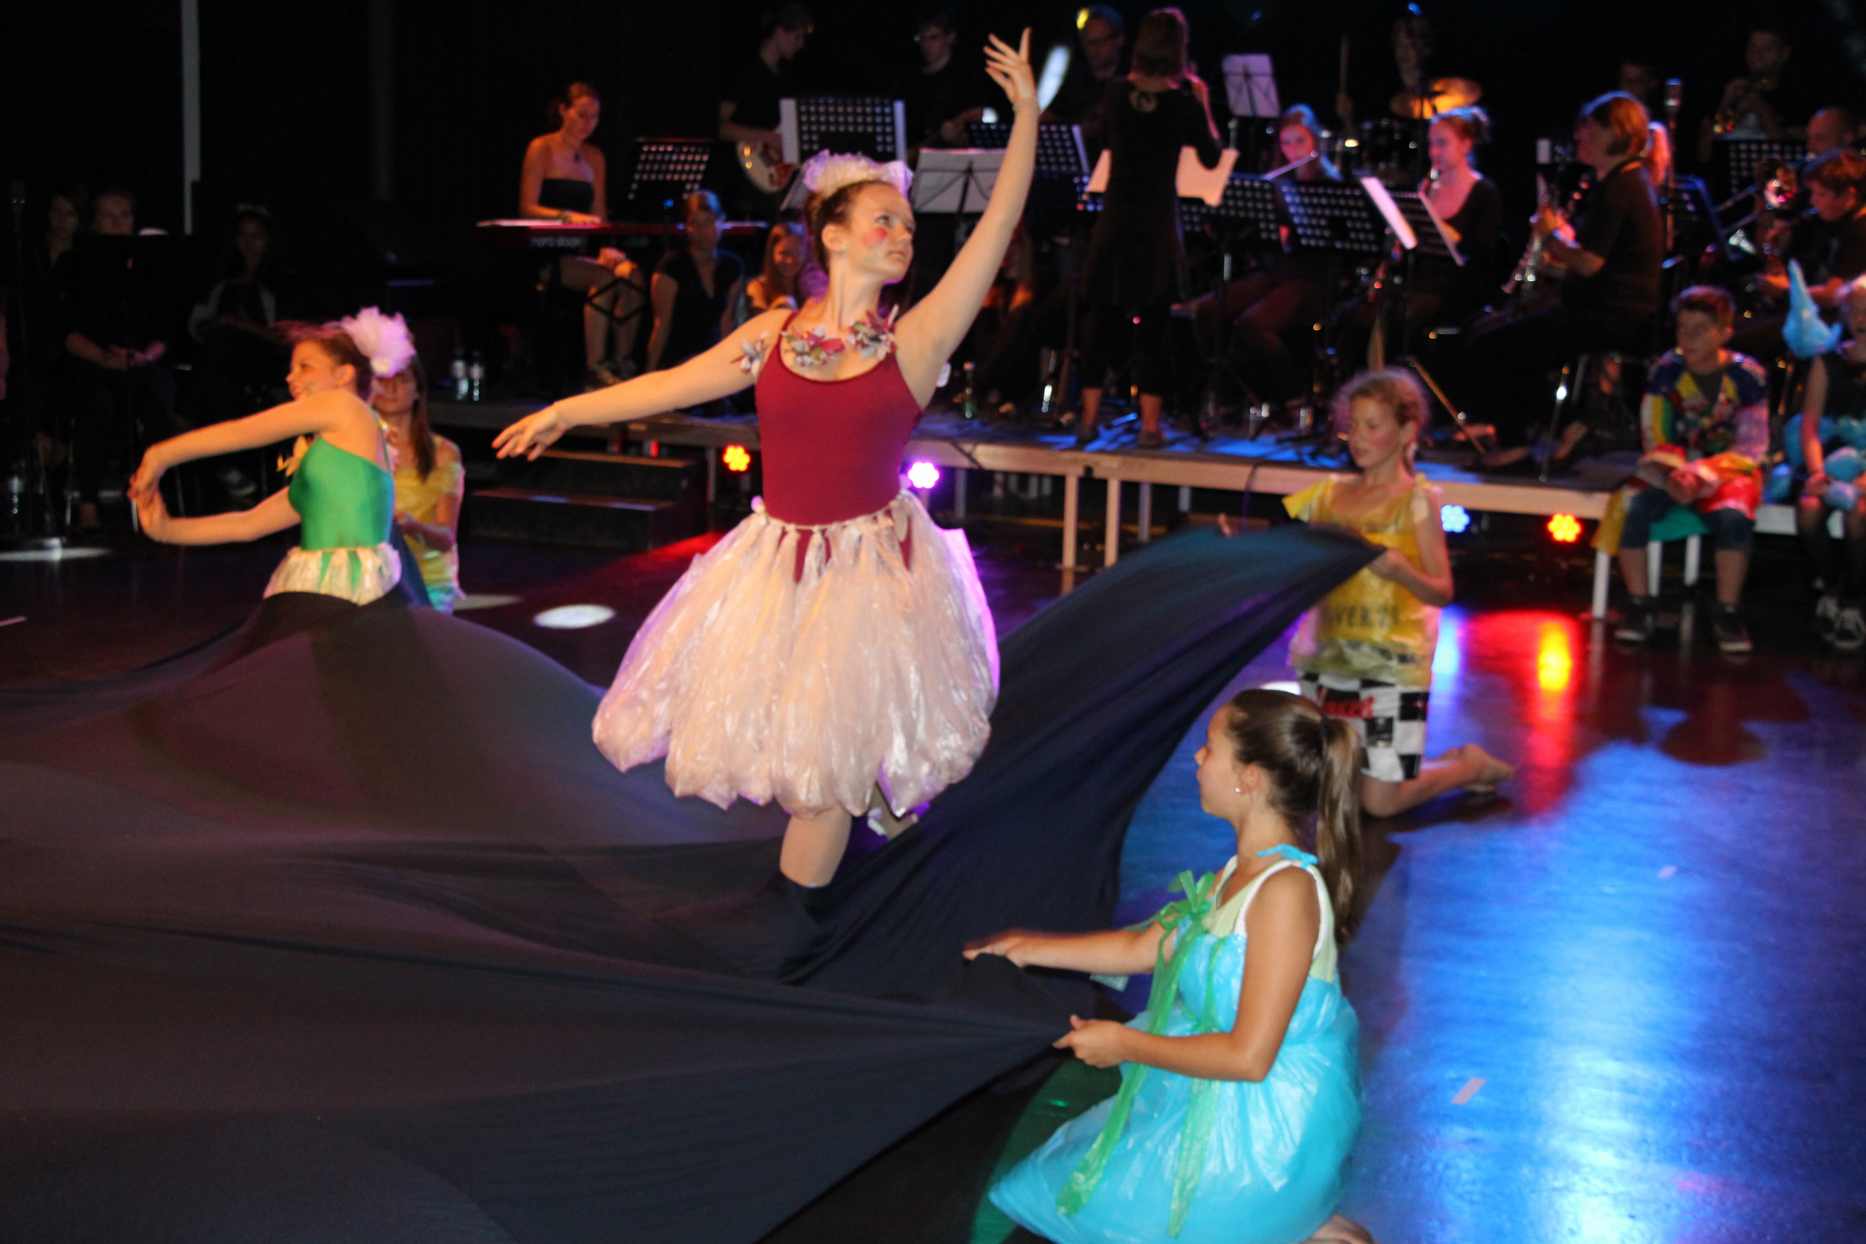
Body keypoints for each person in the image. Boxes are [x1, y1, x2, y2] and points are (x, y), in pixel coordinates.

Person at [492, 31, 1038, 891]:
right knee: (848, 779)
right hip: (780, 570)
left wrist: (1027, 117)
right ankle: (895, 886)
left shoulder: (916, 341)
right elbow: (669, 384)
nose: (903, 235)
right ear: (833, 235)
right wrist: (567, 410)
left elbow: (998, 224)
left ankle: (789, 935)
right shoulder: (772, 335)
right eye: (884, 221)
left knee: (826, 783)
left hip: (872, 579)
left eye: (908, 225)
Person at [975, 690, 1373, 1244]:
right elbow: (1144, 948)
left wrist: (1124, 1044)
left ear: (1250, 778)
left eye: (1210, 748)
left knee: (1093, 1205)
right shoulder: (1234, 875)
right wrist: (1025, 948)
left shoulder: (1285, 893)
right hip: (1215, 1095)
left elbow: (1249, 1057)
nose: (1197, 759)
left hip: (1268, 1131)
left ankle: (1293, 1218)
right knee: (1063, 1186)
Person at [1282, 369, 1513, 817]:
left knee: (1379, 803)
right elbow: (1304, 566)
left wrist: (1400, 571)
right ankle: (1414, 769)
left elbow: (1442, 591)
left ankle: (1466, 767)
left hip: (1390, 667)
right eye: (1353, 425)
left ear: (1406, 432)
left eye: (1372, 426)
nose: (1357, 437)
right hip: (1328, 660)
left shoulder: (1416, 502)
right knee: (1328, 789)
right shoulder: (1328, 496)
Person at [128, 310, 410, 608]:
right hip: (322, 588)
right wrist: (165, 529)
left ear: (343, 375)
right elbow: (248, 524)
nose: (290, 377)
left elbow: (244, 432)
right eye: (291, 369)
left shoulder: (345, 406)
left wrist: (159, 455)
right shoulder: (327, 466)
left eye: (305, 367)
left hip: (354, 594)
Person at [1471, 92, 1662, 470]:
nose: (1579, 137)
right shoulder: (1625, 181)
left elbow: (1589, 264)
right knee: (1499, 335)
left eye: (1589, 130)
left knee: (1497, 345)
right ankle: (1569, 424)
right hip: (1610, 308)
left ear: (1614, 133)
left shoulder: (1620, 187)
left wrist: (1550, 236)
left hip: (1610, 315)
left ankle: (1523, 440)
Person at [1075, 7, 1221, 449]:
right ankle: (1150, 427)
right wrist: (1203, 101)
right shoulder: (1182, 103)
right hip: (1155, 225)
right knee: (1153, 325)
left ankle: (1087, 419)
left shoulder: (1117, 92)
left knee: (1100, 319)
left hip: (1115, 220)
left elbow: (1099, 137)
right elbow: (1211, 156)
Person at [1608, 287, 1768, 654]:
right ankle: (1640, 603)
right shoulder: (1667, 371)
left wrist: (1703, 474)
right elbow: (1653, 432)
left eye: (1700, 330)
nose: (1688, 338)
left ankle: (1727, 610)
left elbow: (1751, 444)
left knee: (1733, 516)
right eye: (1682, 329)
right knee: (1631, 506)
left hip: (1726, 469)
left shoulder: (1747, 376)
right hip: (1673, 467)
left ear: (1724, 333)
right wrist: (1672, 473)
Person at [60, 187, 182, 529]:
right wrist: (102, 357)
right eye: (108, 216)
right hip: (92, 363)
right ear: (94, 222)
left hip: (141, 363)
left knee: (159, 400)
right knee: (95, 403)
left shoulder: (150, 265)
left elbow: (168, 324)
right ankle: (88, 501)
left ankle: (154, 496)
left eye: (124, 215)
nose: (117, 223)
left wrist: (147, 354)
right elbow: (66, 330)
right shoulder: (73, 263)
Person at [1211, 104, 1343, 415]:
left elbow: (1332, 244)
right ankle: (1233, 397)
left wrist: (1295, 230)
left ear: (1315, 141)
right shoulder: (1276, 181)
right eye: (1286, 142)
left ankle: (1293, 396)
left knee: (1253, 324)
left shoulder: (1329, 183)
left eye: (1300, 141)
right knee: (1209, 310)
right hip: (1276, 273)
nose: (1293, 150)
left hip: (1310, 278)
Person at [518, 81, 643, 389]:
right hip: (549, 249)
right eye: (582, 115)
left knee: (632, 274)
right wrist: (567, 217)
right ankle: (594, 367)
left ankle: (622, 360)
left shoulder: (595, 156)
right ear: (563, 111)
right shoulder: (541, 148)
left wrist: (608, 248)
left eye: (595, 117)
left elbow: (599, 215)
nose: (589, 123)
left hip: (584, 249)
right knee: (604, 277)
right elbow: (527, 207)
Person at [1791, 277, 1866, 651]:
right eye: (1854, 310)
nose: (1861, 318)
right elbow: (1810, 424)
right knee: (1808, 511)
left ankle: (1855, 600)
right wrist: (1817, 470)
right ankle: (1830, 587)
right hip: (1831, 457)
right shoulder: (1829, 360)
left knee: (1859, 514)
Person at [376, 353, 464, 613]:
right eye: (383, 380)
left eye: (401, 380)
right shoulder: (358, 449)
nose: (391, 388)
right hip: (373, 580)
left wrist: (412, 526)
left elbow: (446, 537)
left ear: (417, 391)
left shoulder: (443, 453)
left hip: (427, 582)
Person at [647, 191, 745, 374]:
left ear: (721, 222)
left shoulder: (732, 267)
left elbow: (727, 322)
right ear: (686, 227)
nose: (702, 230)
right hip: (679, 361)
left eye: (708, 222)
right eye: (694, 223)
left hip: (713, 359)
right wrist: (650, 374)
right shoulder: (671, 267)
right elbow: (661, 327)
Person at [1696, 23, 1808, 164]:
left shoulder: (1797, 97)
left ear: (1784, 54)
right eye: (1753, 47)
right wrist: (1727, 103)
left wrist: (1761, 109)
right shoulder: (1729, 90)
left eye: (1767, 49)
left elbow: (1789, 153)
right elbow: (1705, 155)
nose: (1757, 55)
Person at [717, 4, 812, 159]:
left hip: (763, 164)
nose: (801, 45)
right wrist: (766, 136)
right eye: (797, 37)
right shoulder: (744, 69)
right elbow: (720, 127)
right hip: (734, 161)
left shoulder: (786, 76)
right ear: (779, 32)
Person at [1042, 5, 1126, 159]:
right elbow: (1046, 119)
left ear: (1119, 39)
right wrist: (1078, 130)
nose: (1093, 50)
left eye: (1099, 42)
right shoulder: (1075, 79)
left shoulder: (1130, 80)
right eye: (1088, 42)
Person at [905, 10, 994, 151]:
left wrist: (957, 136)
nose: (926, 44)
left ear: (950, 37)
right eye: (921, 38)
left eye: (933, 37)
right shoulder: (911, 80)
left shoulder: (967, 78)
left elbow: (980, 131)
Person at [733, 219, 808, 325]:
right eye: (784, 253)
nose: (790, 260)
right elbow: (758, 326)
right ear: (771, 252)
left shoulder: (810, 287)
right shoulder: (757, 287)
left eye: (797, 253)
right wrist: (780, 306)